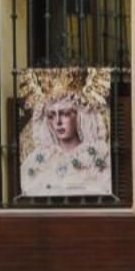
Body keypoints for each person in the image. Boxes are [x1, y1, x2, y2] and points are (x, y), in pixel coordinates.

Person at [19, 67, 114, 198]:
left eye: (64, 113)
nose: (58, 122)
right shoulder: (39, 160)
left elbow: (102, 188)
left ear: (79, 116)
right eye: (51, 115)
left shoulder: (96, 156)